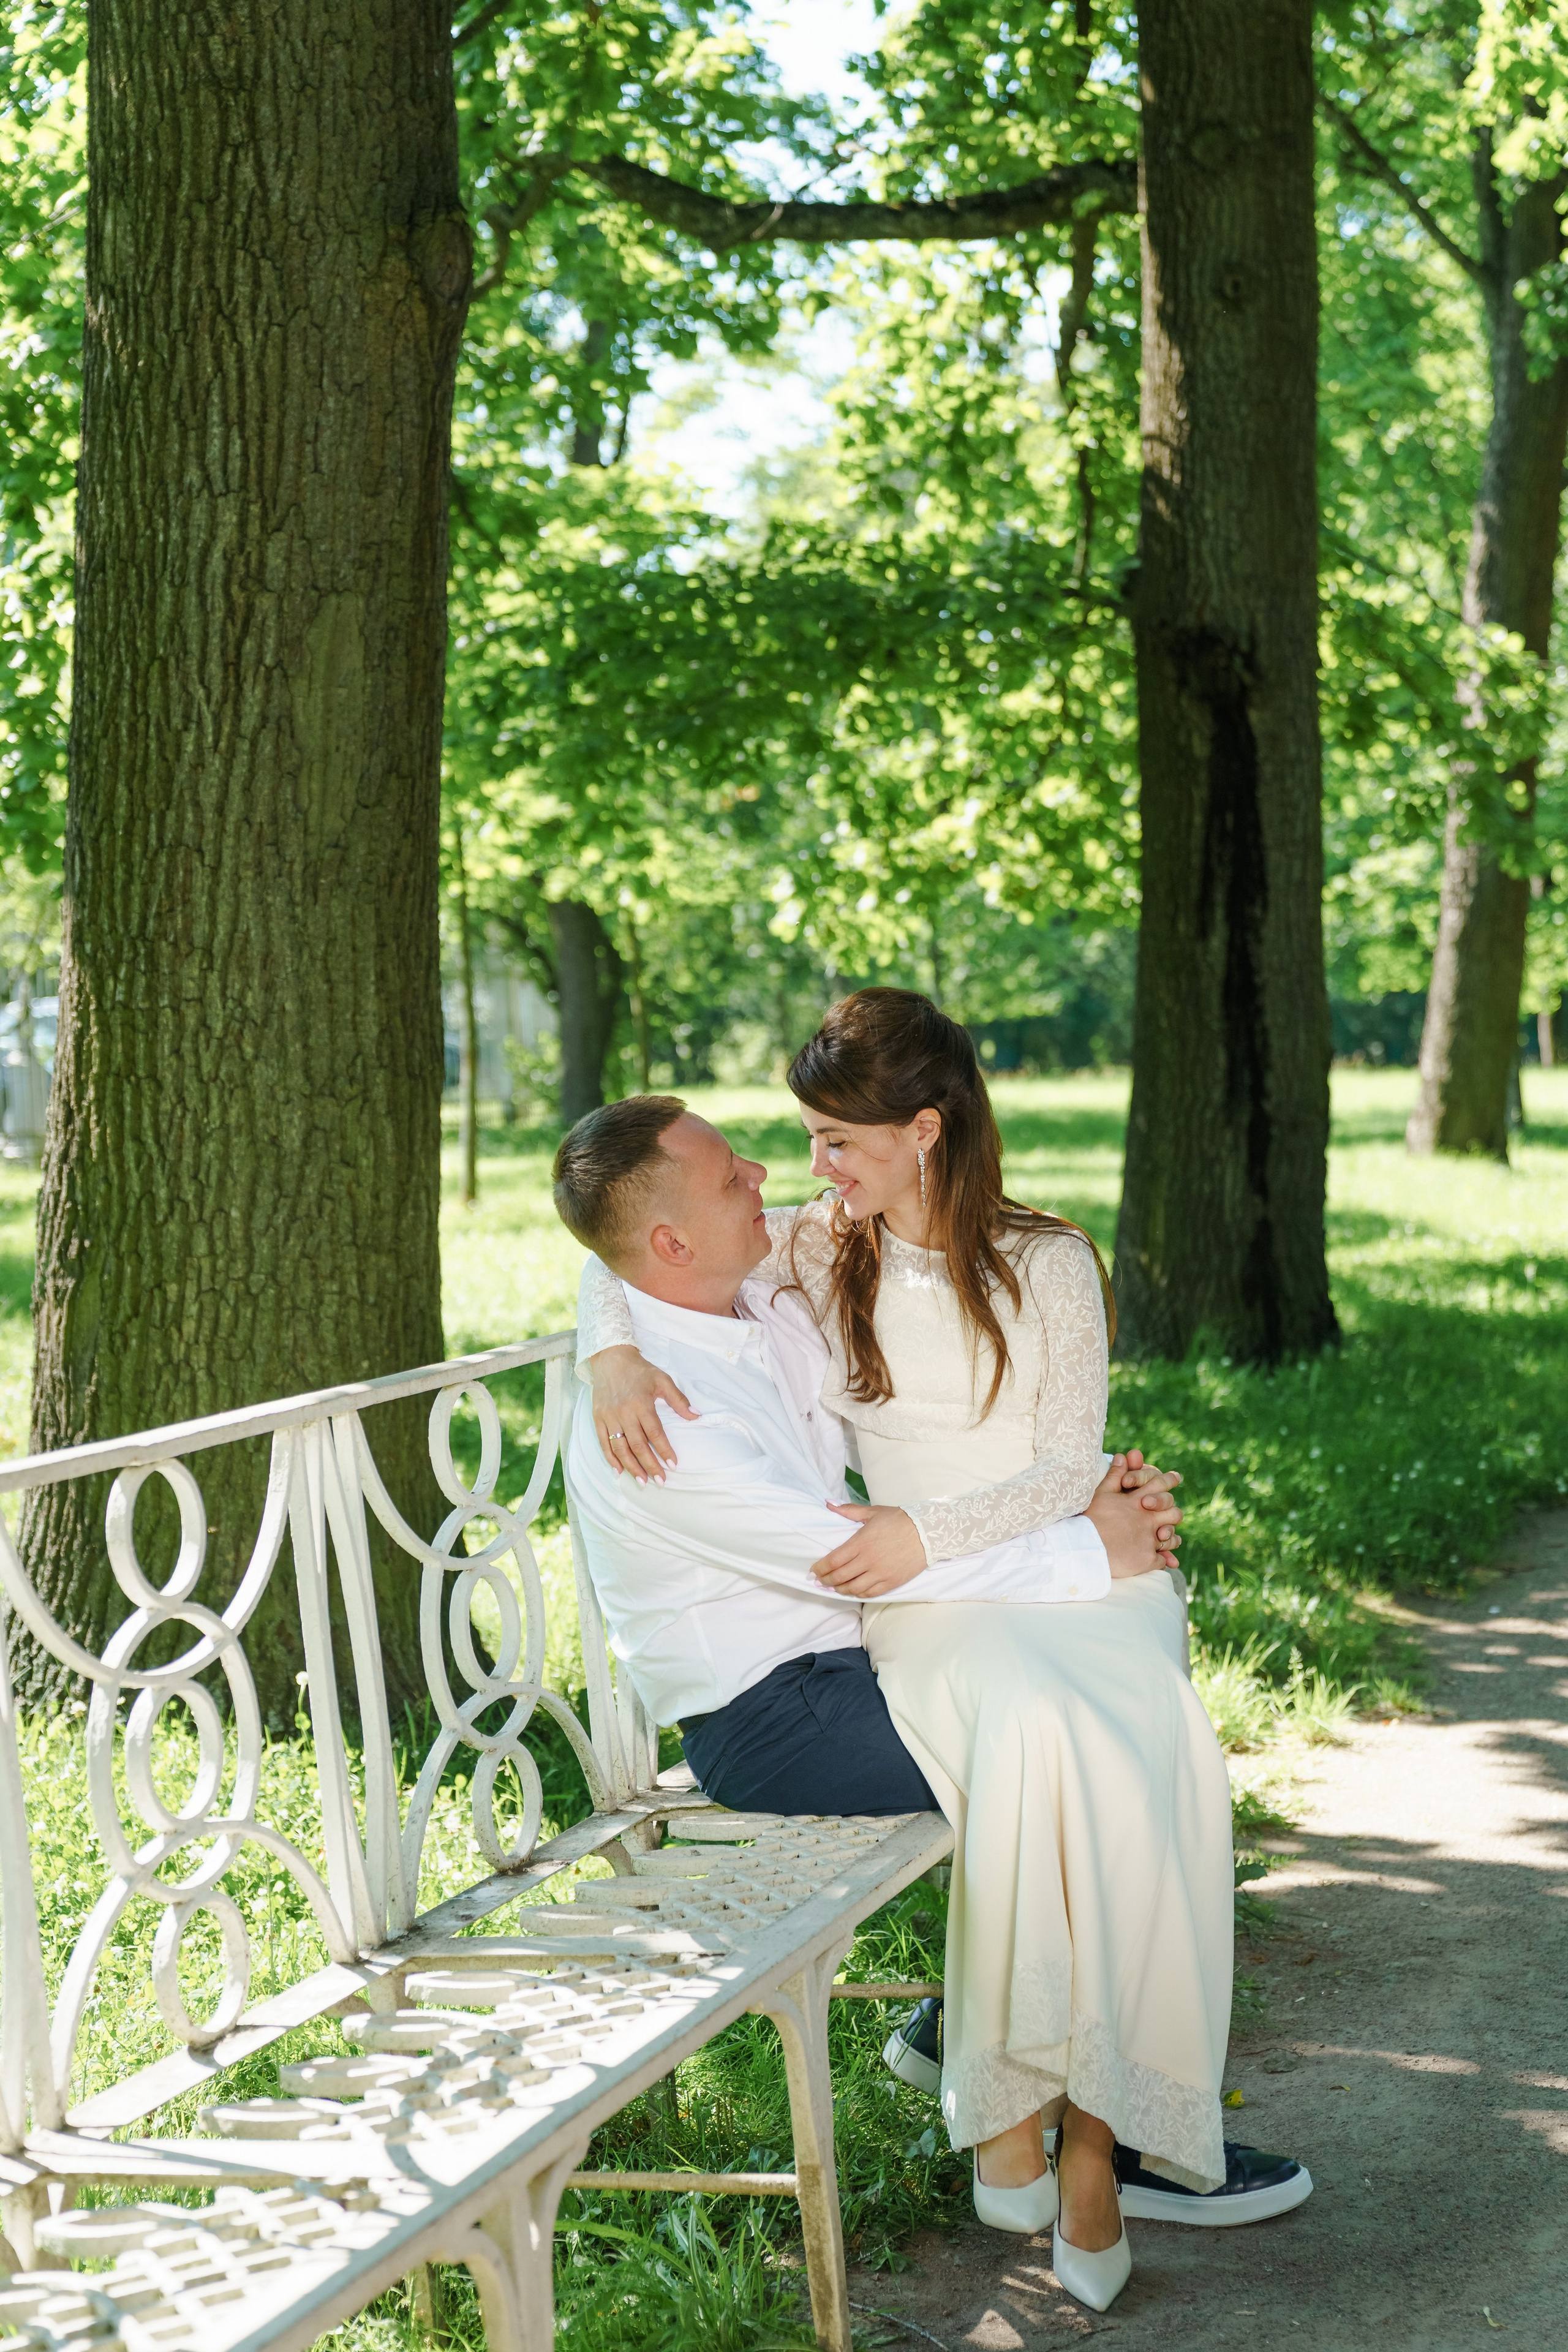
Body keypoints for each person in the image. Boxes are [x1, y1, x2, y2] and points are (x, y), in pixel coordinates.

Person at [557, 1008, 1309, 2312]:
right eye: (790, 1146)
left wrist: (1060, 1537)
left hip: (1008, 1563)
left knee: (1148, 1740)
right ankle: (1061, 2120)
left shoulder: (1046, 1261)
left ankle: (1078, 2127)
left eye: (829, 1141)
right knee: (1045, 1744)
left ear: (924, 1130)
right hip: (921, 1609)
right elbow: (626, 1247)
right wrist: (605, 1352)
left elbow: (1064, 1463)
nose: (799, 1172)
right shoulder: (812, 1253)